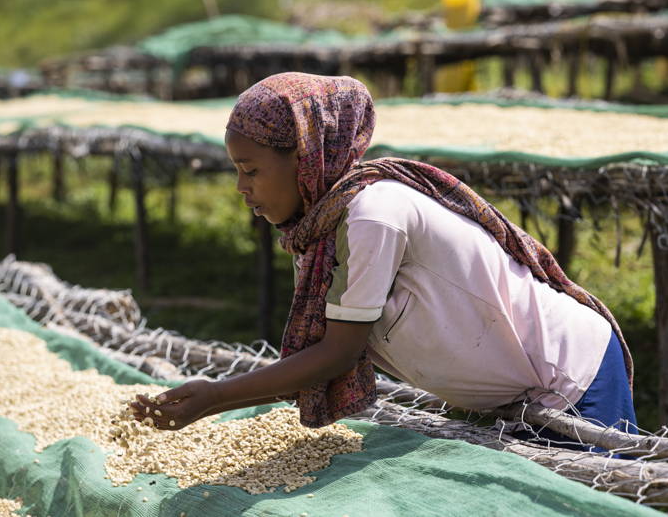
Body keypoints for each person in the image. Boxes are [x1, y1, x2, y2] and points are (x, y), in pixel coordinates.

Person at [132, 72, 637, 444]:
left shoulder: (374, 215)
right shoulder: (319, 231)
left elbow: (336, 354)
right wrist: (215, 398)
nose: (241, 188)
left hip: (568, 375)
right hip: (516, 394)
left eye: (251, 170)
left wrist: (217, 397)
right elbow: (320, 355)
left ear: (306, 158)